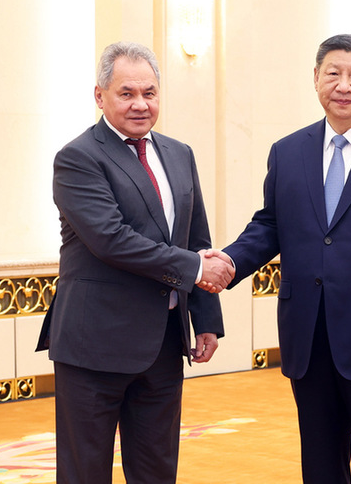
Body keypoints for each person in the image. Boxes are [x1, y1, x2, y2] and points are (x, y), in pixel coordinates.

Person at [204, 34, 351, 483]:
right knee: (320, 466)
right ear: (315, 77)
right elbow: (271, 225)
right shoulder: (288, 151)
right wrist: (231, 262)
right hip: (309, 335)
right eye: (333, 73)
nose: (344, 85)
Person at [36, 41, 233, 484]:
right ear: (100, 95)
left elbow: (197, 240)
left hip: (163, 344)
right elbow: (111, 240)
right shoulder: (78, 157)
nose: (140, 104)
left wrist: (205, 319)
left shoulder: (179, 154)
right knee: (86, 472)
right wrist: (196, 269)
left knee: (156, 471)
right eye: (126, 93)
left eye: (149, 92)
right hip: (94, 345)